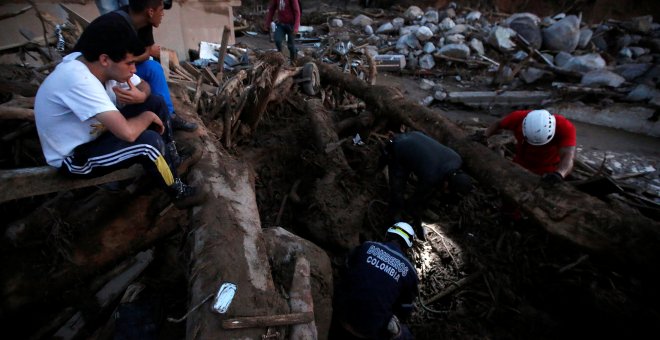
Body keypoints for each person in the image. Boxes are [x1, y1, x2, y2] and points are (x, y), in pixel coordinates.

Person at [34, 15, 205, 209]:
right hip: (74, 157)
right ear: (105, 59)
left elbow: (145, 87)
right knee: (149, 143)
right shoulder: (78, 79)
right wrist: (146, 116)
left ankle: (172, 159)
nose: (134, 70)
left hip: (100, 135)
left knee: (155, 101)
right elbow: (128, 133)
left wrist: (141, 97)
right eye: (130, 63)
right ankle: (178, 192)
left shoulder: (100, 65)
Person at [81, 0, 198, 132]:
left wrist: (141, 89)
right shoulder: (116, 27)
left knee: (153, 68)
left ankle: (169, 115)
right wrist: (133, 61)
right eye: (161, 10)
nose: (163, 15)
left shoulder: (143, 21)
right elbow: (113, 63)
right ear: (150, 11)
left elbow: (146, 52)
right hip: (99, 74)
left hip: (116, 68)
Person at [331, 222, 419, 340]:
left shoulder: (366, 246)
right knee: (405, 334)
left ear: (388, 234)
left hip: (340, 313)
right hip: (369, 330)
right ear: (408, 246)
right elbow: (405, 309)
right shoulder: (409, 271)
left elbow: (345, 270)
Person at [382, 131, 473, 239]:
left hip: (413, 135)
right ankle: (393, 221)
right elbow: (414, 202)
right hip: (399, 148)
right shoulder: (432, 176)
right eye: (448, 189)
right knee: (397, 192)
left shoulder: (457, 159)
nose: (446, 191)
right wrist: (417, 222)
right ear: (447, 183)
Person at [482, 109, 576, 185]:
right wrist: (484, 136)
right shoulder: (517, 117)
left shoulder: (565, 127)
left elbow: (568, 155)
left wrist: (559, 174)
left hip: (548, 168)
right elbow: (498, 123)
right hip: (520, 163)